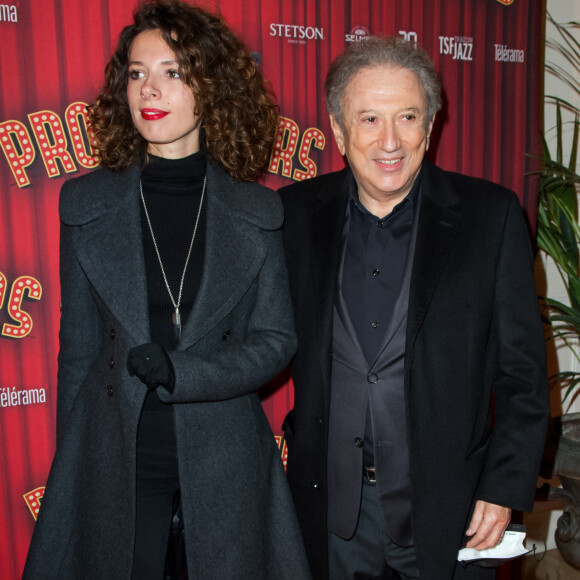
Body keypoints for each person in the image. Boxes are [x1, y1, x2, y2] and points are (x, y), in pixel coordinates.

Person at [22, 2, 311, 579]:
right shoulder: (86, 205)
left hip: (224, 456)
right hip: (117, 459)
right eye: (136, 72)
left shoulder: (257, 212)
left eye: (173, 72)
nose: (148, 89)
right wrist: (77, 468)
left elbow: (276, 341)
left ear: (212, 87)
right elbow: (77, 353)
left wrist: (185, 374)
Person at [279, 36, 549, 580]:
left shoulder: (489, 217)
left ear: (430, 124)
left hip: (451, 512)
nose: (390, 141)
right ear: (337, 130)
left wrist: (503, 487)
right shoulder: (291, 217)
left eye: (407, 116)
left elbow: (523, 374)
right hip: (330, 513)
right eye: (369, 119)